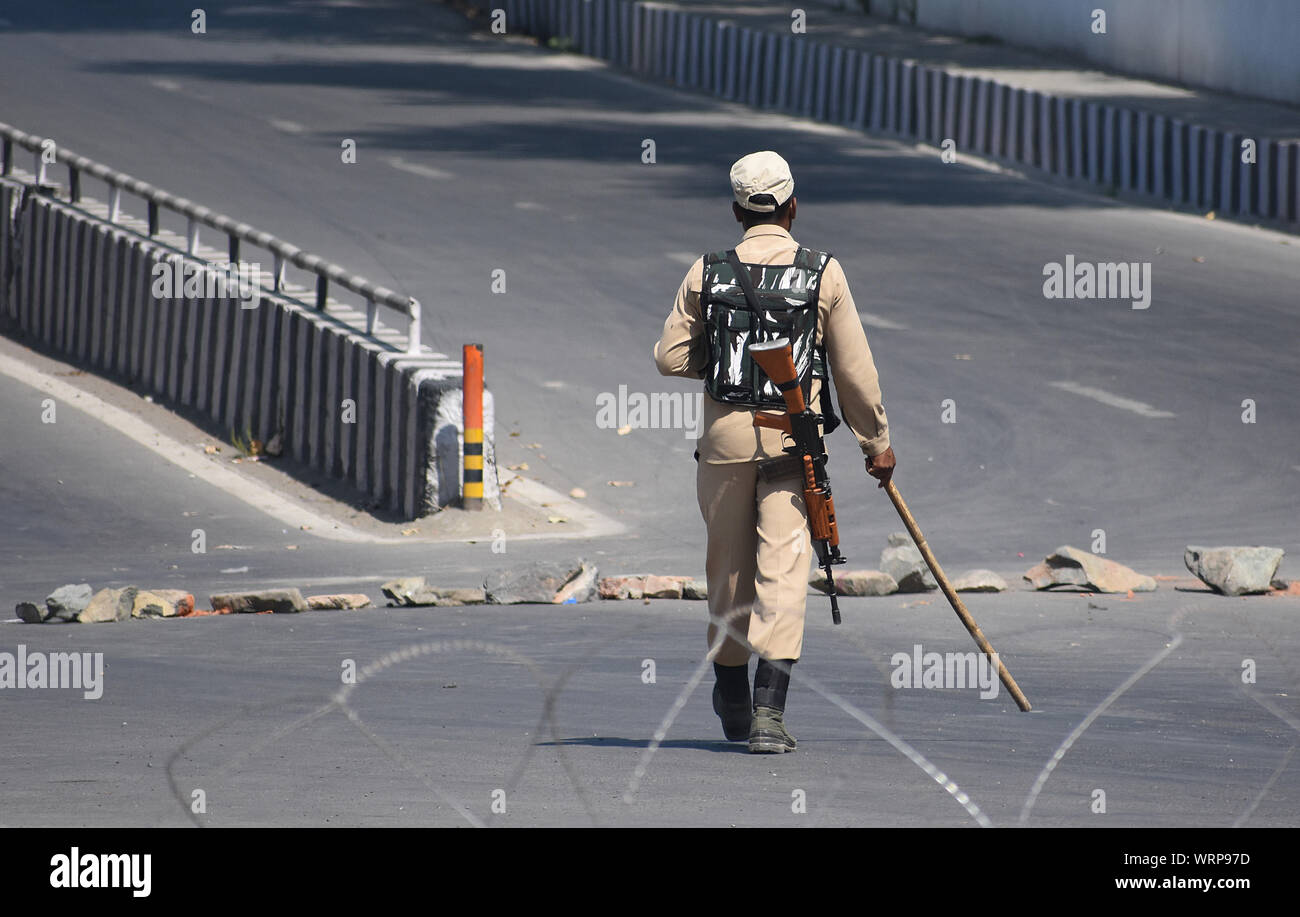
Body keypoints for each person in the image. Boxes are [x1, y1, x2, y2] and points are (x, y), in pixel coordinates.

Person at [653, 151, 896, 753]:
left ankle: (731, 696)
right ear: (792, 207)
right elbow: (854, 374)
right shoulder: (823, 271)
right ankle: (768, 715)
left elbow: (669, 356)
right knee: (785, 569)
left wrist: (727, 364)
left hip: (725, 441)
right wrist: (877, 443)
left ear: (737, 211)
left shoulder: (707, 271)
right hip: (795, 441)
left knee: (728, 573)